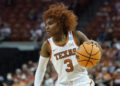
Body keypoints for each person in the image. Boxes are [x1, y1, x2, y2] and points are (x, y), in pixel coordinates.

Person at [34, 3, 102, 86]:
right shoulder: (47, 45)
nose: (47, 27)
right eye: (46, 24)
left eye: (50, 23)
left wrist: (96, 46)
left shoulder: (77, 36)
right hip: (62, 83)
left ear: (60, 23)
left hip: (81, 81)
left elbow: (95, 51)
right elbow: (41, 68)